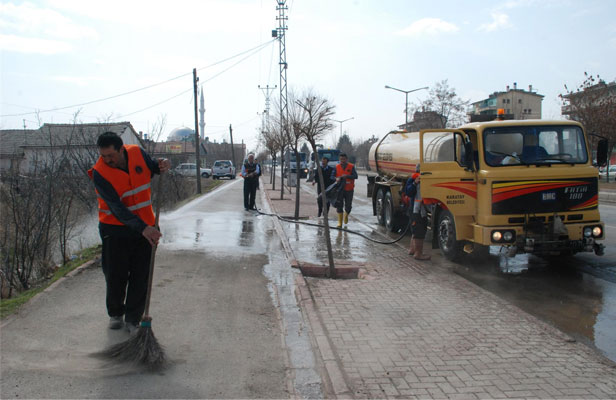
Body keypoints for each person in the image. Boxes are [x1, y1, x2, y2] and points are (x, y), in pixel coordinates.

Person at [88, 132, 170, 333]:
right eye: (104, 156)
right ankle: (116, 313)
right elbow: (117, 208)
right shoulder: (100, 173)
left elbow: (152, 168)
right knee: (116, 275)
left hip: (146, 226)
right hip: (115, 230)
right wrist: (144, 228)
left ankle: (132, 319)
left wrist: (161, 165)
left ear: (121, 149)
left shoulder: (137, 153)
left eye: (111, 156)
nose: (107, 160)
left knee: (141, 276)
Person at [410, 164, 431, 260]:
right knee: (419, 232)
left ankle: (413, 250)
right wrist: (414, 183)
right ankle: (418, 254)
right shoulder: (413, 180)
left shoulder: (425, 181)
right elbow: (408, 191)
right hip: (417, 210)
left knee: (415, 231)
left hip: (419, 210)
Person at [334, 153, 358, 228]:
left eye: (344, 159)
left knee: (348, 205)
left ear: (346, 159)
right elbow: (332, 176)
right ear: (339, 159)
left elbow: (355, 176)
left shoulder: (351, 166)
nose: (342, 161)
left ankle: (346, 215)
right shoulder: (337, 167)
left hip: (349, 189)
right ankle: (340, 223)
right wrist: (336, 178)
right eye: (341, 159)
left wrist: (347, 176)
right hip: (340, 190)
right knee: (339, 205)